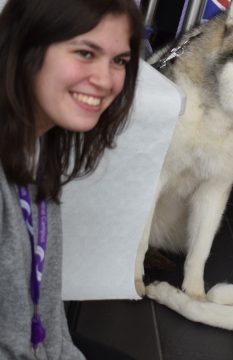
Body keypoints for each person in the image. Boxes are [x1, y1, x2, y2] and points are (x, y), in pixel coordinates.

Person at [0, 0, 142, 358]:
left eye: (119, 61)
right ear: (26, 45)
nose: (105, 80)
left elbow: (40, 311)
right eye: (84, 52)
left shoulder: (38, 143)